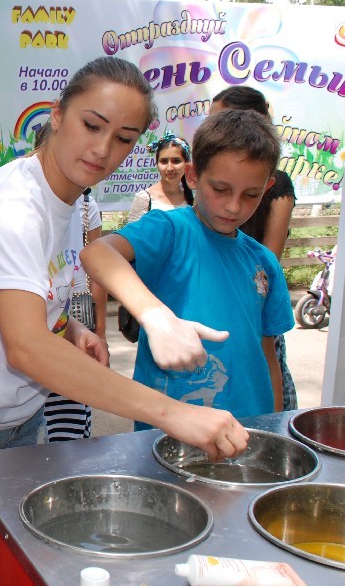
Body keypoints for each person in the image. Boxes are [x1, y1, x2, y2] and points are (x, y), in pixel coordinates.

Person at [0, 56, 250, 488]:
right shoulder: (11, 207)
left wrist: (71, 330)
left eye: (123, 138)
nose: (103, 150)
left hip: (19, 417)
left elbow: (35, 302)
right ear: (58, 116)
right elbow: (26, 348)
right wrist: (173, 413)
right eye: (92, 125)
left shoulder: (72, 202)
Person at [82, 108, 295, 430]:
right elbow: (97, 252)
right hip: (171, 430)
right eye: (221, 189)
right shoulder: (169, 230)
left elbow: (269, 357)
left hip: (251, 430)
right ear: (193, 176)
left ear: (266, 188)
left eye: (250, 194)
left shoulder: (264, 263)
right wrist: (155, 315)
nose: (234, 206)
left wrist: (275, 427)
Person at [210, 86, 298, 410]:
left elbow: (269, 259)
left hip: (254, 300)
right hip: (218, 294)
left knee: (265, 372)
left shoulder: (279, 186)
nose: (233, 206)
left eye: (217, 117)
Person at [32, 121, 108, 442]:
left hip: (72, 317)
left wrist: (95, 329)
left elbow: (99, 266)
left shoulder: (86, 206)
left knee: (69, 424)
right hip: (38, 332)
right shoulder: (24, 210)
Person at [127, 130, 193, 223]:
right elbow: (132, 236)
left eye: (176, 161)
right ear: (157, 164)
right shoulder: (145, 199)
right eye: (164, 161)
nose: (170, 168)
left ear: (187, 164)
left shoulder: (193, 199)